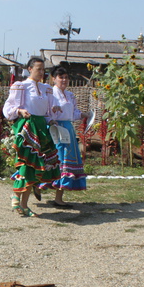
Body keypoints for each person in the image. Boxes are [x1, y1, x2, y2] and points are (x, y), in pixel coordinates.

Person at [2, 56, 60, 217]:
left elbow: (47, 111)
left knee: (38, 166)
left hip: (41, 127)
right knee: (28, 163)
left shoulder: (46, 88)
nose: (41, 72)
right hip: (28, 126)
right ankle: (17, 196)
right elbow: (8, 108)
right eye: (38, 69)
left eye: (43, 69)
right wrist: (19, 111)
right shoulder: (21, 86)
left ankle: (23, 203)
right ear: (30, 69)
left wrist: (52, 120)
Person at [41, 66, 86, 207]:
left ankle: (59, 197)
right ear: (54, 79)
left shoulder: (70, 95)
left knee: (66, 162)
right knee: (56, 160)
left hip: (68, 130)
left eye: (66, 77)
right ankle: (37, 186)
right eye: (61, 77)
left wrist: (84, 115)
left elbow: (73, 114)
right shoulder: (50, 94)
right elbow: (45, 112)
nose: (64, 80)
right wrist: (52, 117)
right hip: (55, 129)